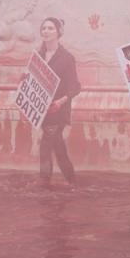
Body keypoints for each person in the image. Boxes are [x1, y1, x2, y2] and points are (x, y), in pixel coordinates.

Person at [33, 17, 80, 187]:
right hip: (43, 110)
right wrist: (25, 80)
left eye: (50, 28)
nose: (46, 31)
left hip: (58, 111)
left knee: (46, 144)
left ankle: (44, 182)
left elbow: (75, 86)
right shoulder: (38, 55)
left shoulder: (67, 58)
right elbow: (35, 82)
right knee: (58, 148)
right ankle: (72, 181)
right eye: (43, 28)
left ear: (59, 32)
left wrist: (60, 102)